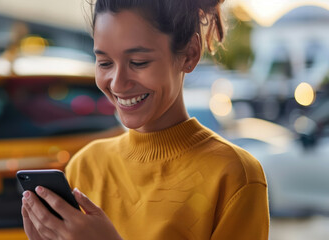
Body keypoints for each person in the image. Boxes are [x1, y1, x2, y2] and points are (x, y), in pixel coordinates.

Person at [21, 0, 270, 239]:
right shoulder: (85, 166)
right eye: (105, 62)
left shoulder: (234, 176)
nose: (117, 83)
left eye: (138, 62)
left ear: (190, 54)